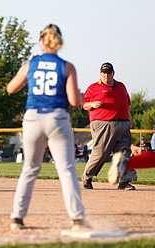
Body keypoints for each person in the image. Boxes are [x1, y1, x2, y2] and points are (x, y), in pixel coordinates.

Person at [7, 24, 87, 231]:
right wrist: (82, 96)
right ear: (59, 41)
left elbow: (10, 88)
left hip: (33, 117)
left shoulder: (31, 64)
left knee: (30, 169)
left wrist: (30, 80)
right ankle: (77, 219)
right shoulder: (66, 66)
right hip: (58, 118)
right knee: (67, 170)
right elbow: (74, 100)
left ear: (41, 40)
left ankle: (17, 217)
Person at [81, 62, 137, 190]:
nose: (106, 75)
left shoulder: (121, 86)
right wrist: (93, 104)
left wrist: (129, 119)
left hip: (123, 123)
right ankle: (87, 177)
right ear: (100, 74)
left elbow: (126, 103)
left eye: (108, 72)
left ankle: (124, 181)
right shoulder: (94, 87)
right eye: (104, 73)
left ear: (113, 73)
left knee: (124, 152)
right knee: (101, 153)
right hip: (103, 124)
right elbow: (84, 105)